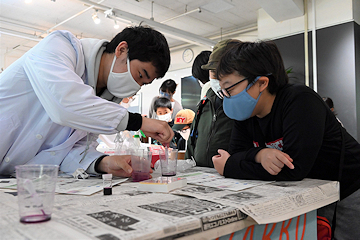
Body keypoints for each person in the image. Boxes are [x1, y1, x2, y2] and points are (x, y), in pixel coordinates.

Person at [212, 40, 360, 239]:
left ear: (261, 83)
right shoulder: (246, 114)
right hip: (312, 193)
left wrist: (230, 167)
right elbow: (236, 153)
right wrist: (259, 154)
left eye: (229, 89)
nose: (226, 97)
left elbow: (293, 169)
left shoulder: (299, 100)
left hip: (349, 189)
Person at [0, 26, 174, 177]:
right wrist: (139, 122)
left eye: (143, 84)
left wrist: (102, 163)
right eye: (140, 75)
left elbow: (72, 149)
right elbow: (65, 105)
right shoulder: (61, 46)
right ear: (121, 50)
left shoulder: (107, 98)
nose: (136, 87)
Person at [185, 39, 240, 167]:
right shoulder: (205, 101)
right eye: (214, 73)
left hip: (232, 175)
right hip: (201, 175)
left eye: (224, 74)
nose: (219, 81)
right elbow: (192, 139)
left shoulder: (243, 105)